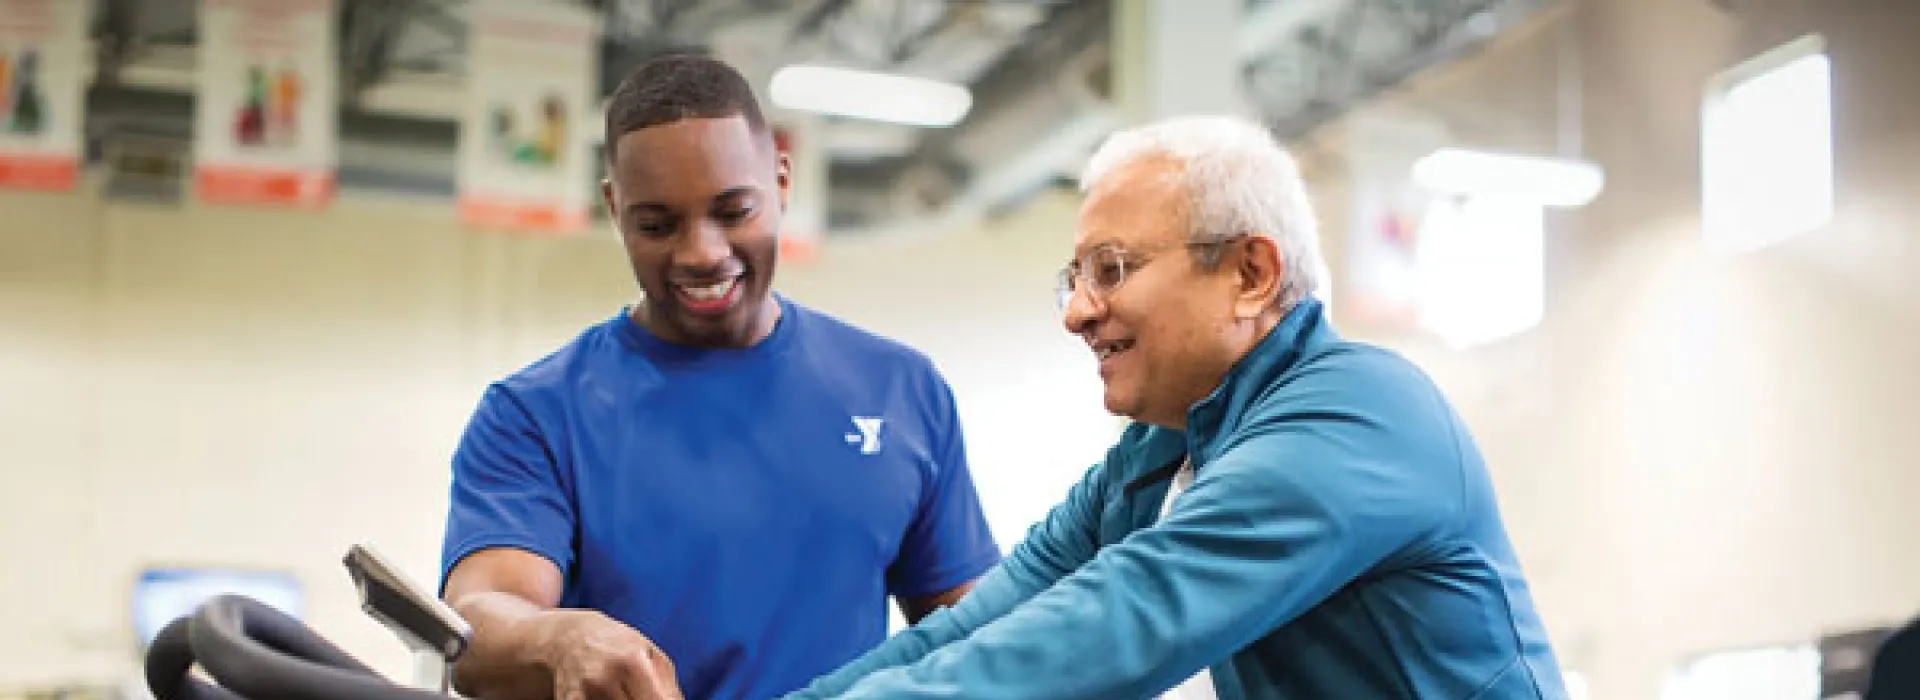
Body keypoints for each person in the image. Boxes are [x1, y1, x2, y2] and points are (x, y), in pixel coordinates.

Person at [781, 115, 1570, 700]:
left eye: (1112, 269)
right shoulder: (1154, 456)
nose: (1078, 312)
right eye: (1075, 277)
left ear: (1252, 273)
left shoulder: (1358, 417)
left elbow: (1118, 624)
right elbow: (972, 628)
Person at [436, 54, 1003, 700]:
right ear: (614, 207)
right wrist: (556, 638)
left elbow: (975, 641)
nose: (702, 252)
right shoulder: (535, 414)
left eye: (733, 211)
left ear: (782, 182)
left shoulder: (901, 390)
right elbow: (479, 620)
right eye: (658, 224)